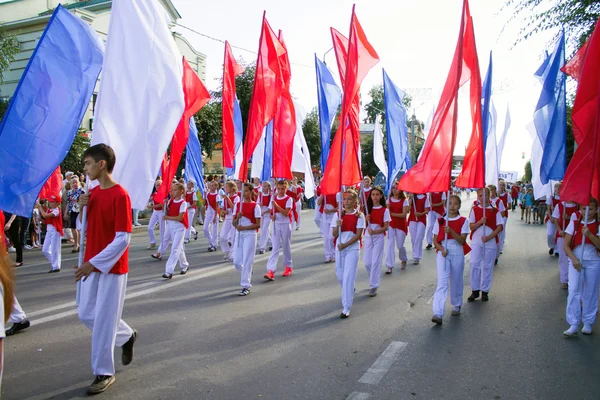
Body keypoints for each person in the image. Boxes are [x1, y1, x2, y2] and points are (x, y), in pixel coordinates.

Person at [76, 144, 137, 395]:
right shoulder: (92, 193)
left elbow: (123, 238)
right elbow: (84, 225)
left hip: (112, 267)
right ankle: (125, 335)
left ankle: (104, 372)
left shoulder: (120, 195)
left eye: (88, 163)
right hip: (92, 263)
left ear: (102, 164)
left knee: (102, 319)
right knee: (85, 312)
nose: (85, 168)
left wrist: (94, 262)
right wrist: (82, 207)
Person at [562, 198, 600, 336]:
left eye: (591, 209)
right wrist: (574, 259)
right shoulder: (574, 223)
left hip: (593, 261)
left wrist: (589, 234)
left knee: (591, 291)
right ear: (580, 209)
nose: (588, 212)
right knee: (573, 290)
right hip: (576, 261)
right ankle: (573, 323)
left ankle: (588, 322)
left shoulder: (598, 224)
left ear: (596, 210)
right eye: (584, 209)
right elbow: (566, 245)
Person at [431, 195, 470, 324]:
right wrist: (441, 249)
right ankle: (438, 312)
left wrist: (451, 231)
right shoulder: (440, 221)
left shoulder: (464, 221)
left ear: (459, 206)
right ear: (446, 205)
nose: (452, 206)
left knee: (456, 279)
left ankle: (456, 304)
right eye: (450, 203)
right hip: (443, 251)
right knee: (442, 282)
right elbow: (435, 241)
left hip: (457, 251)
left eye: (455, 204)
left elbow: (462, 241)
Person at [331, 188, 365, 318]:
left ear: (355, 200)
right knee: (340, 276)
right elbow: (333, 234)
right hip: (340, 249)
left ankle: (346, 307)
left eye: (349, 199)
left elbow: (358, 235)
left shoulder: (359, 216)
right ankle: (350, 290)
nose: (346, 201)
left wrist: (345, 245)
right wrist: (338, 225)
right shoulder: (338, 215)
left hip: (352, 248)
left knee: (348, 277)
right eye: (344, 199)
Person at [467, 188, 504, 302]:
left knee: (487, 265)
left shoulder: (495, 211)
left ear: (489, 195)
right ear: (477, 197)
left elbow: (500, 227)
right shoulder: (475, 209)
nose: (482, 198)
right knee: (474, 263)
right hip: (477, 239)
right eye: (480, 196)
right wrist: (480, 222)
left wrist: (489, 237)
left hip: (490, 240)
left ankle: (485, 291)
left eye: (485, 195)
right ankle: (475, 290)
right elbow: (471, 226)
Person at [233, 183, 262, 296]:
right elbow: (233, 222)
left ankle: (245, 285)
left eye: (246, 191)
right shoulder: (237, 205)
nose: (243, 193)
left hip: (250, 234)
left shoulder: (256, 206)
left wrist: (244, 227)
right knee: (236, 262)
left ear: (251, 192)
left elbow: (257, 225)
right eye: (242, 191)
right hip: (239, 234)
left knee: (247, 260)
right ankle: (248, 272)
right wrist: (237, 218)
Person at [363, 187, 390, 297]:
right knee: (367, 262)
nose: (375, 196)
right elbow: (360, 224)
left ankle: (374, 285)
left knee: (375, 262)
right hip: (368, 236)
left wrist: (375, 231)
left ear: (381, 196)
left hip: (378, 237)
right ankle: (372, 278)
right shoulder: (367, 209)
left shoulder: (385, 210)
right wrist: (365, 219)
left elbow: (386, 227)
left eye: (377, 194)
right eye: (373, 194)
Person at [264, 180, 294, 281]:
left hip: (286, 224)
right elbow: (270, 211)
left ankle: (288, 266)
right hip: (276, 225)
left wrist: (276, 205)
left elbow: (286, 213)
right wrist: (271, 216)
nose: (280, 191)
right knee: (275, 247)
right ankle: (271, 270)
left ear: (286, 189)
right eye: (279, 189)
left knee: (286, 246)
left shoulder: (289, 199)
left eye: (283, 189)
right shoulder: (273, 198)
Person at [160, 183, 190, 279]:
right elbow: (165, 211)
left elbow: (180, 217)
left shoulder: (183, 203)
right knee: (179, 247)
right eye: (172, 190)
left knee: (175, 248)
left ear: (181, 191)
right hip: (170, 226)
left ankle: (169, 271)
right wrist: (164, 204)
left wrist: (167, 217)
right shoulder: (170, 201)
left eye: (175, 190)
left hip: (179, 227)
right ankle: (185, 265)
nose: (173, 192)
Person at [553, 199, 579, 289]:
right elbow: (555, 220)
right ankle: (564, 279)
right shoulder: (559, 206)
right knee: (563, 258)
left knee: (572, 257)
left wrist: (568, 218)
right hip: (562, 235)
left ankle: (572, 278)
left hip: (574, 236)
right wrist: (560, 230)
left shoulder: (578, 206)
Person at [37, 194, 63, 273]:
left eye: (53, 202)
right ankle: (55, 264)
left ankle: (56, 266)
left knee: (55, 249)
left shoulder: (57, 211)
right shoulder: (49, 210)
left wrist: (40, 207)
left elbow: (46, 215)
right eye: (50, 201)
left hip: (55, 230)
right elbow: (46, 221)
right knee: (45, 249)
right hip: (49, 230)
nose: (51, 203)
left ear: (57, 203)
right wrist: (41, 219)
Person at [386, 187, 410, 273]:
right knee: (390, 244)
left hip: (401, 225)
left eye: (396, 188)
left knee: (400, 245)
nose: (395, 190)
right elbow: (387, 212)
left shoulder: (404, 200)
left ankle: (403, 259)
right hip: (391, 224)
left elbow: (403, 215)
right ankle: (389, 265)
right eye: (393, 188)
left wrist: (391, 214)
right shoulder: (389, 200)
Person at [220, 181, 240, 262]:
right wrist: (223, 212)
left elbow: (234, 208)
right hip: (227, 218)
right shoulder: (225, 198)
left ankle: (232, 254)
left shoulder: (236, 197)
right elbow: (223, 209)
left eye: (227, 187)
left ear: (232, 188)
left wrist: (228, 199)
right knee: (222, 236)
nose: (226, 189)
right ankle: (227, 251)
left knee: (232, 237)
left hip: (233, 218)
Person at [408, 193, 429, 265]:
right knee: (413, 238)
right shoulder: (412, 197)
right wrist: (410, 199)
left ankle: (417, 256)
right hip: (412, 219)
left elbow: (427, 210)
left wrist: (421, 214)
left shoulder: (425, 198)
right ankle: (415, 253)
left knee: (419, 237)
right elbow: (408, 209)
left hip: (421, 219)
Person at [67, 175, 85, 253]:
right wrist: (66, 212)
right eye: (73, 183)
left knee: (80, 227)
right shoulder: (70, 192)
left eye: (76, 182)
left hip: (80, 211)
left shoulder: (82, 191)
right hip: (73, 210)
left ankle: (80, 244)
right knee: (73, 227)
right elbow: (69, 202)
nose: (75, 184)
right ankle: (76, 243)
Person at [322, 191, 340, 263]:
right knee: (326, 238)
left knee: (331, 237)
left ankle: (334, 254)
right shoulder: (324, 194)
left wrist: (329, 211)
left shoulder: (337, 194)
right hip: (325, 217)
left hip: (334, 217)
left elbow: (339, 207)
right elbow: (319, 203)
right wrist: (322, 195)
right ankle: (327, 255)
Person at [146, 180, 164, 250]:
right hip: (155, 212)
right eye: (156, 185)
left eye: (158, 185)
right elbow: (150, 199)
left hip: (161, 212)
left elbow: (161, 204)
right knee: (150, 227)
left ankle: (163, 243)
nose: (157, 186)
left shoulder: (163, 193)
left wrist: (151, 207)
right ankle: (152, 242)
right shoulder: (155, 193)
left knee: (162, 228)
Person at [203, 181, 220, 252]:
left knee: (214, 230)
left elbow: (217, 207)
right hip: (208, 212)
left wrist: (215, 217)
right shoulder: (207, 194)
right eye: (210, 185)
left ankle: (214, 245)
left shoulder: (217, 196)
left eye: (213, 186)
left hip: (215, 212)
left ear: (216, 187)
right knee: (205, 228)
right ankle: (211, 241)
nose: (211, 187)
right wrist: (204, 196)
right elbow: (204, 204)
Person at [497, 180, 512, 255]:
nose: (501, 186)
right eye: (500, 185)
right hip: (496, 215)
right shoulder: (495, 194)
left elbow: (510, 206)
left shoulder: (507, 195)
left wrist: (504, 208)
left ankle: (500, 248)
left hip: (504, 215)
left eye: (503, 185)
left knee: (501, 229)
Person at [546, 182, 561, 255]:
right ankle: (552, 246)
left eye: (559, 186)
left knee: (558, 234)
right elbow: (548, 209)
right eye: (556, 186)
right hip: (551, 219)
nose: (558, 188)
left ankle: (557, 250)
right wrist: (550, 217)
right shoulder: (551, 197)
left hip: (560, 220)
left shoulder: (564, 198)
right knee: (550, 234)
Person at [258, 181, 272, 254]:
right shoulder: (260, 195)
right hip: (261, 213)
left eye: (266, 186)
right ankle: (272, 243)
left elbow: (270, 208)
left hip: (268, 214)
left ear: (269, 187)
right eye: (263, 186)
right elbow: (256, 204)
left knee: (264, 230)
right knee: (265, 230)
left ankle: (262, 247)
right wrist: (259, 205)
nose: (264, 188)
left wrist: (264, 212)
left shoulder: (271, 196)